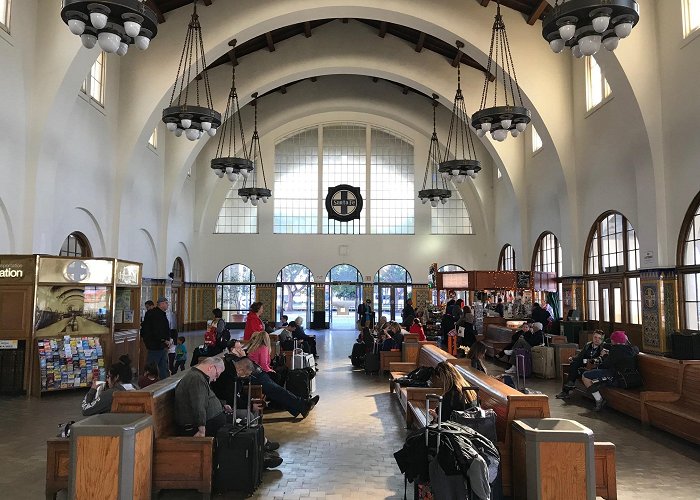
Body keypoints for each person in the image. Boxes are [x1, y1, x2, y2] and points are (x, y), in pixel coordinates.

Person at [225, 341, 320, 419]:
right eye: (239, 348)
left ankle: (299, 407)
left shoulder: (236, 358)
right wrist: (243, 356)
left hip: (259, 376)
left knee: (278, 389)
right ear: (232, 350)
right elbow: (245, 370)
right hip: (255, 379)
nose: (242, 349)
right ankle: (302, 405)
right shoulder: (232, 359)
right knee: (277, 390)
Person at [581, 331, 640, 411]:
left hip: (618, 379)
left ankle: (599, 400)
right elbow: (633, 348)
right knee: (598, 378)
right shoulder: (632, 349)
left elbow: (605, 365)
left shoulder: (615, 351)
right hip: (631, 380)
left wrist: (604, 356)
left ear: (613, 341)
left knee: (586, 375)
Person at [556, 330, 605, 399]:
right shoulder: (588, 345)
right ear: (593, 337)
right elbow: (580, 356)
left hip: (593, 368)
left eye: (599, 338)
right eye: (595, 337)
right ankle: (568, 387)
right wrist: (572, 358)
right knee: (574, 364)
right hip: (584, 366)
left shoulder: (602, 349)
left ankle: (566, 391)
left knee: (574, 372)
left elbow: (601, 361)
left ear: (602, 339)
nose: (597, 340)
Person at [140, 296, 171, 380]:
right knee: (152, 366)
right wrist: (164, 340)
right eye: (166, 303)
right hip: (155, 345)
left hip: (161, 345)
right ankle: (147, 383)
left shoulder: (160, 313)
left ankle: (163, 385)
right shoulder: (155, 314)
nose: (168, 305)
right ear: (161, 304)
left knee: (162, 367)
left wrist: (167, 340)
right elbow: (156, 330)